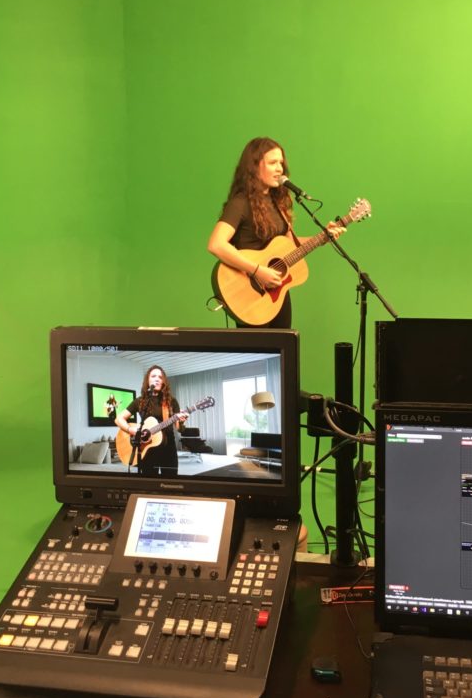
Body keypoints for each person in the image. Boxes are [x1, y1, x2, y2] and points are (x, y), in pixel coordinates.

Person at [207, 136, 342, 328]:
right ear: (254, 166)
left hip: (277, 292)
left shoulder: (278, 204)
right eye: (273, 163)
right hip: (250, 293)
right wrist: (257, 270)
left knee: (285, 345)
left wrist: (322, 237)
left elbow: (289, 246)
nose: (280, 169)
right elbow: (216, 244)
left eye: (281, 163)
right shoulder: (240, 203)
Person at [115, 366, 188, 477]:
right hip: (147, 448)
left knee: (170, 482)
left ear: (163, 382)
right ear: (148, 380)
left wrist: (181, 421)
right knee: (149, 483)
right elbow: (118, 419)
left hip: (168, 449)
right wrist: (130, 429)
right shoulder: (140, 401)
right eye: (153, 376)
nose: (157, 379)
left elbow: (179, 429)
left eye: (160, 377)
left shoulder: (171, 401)